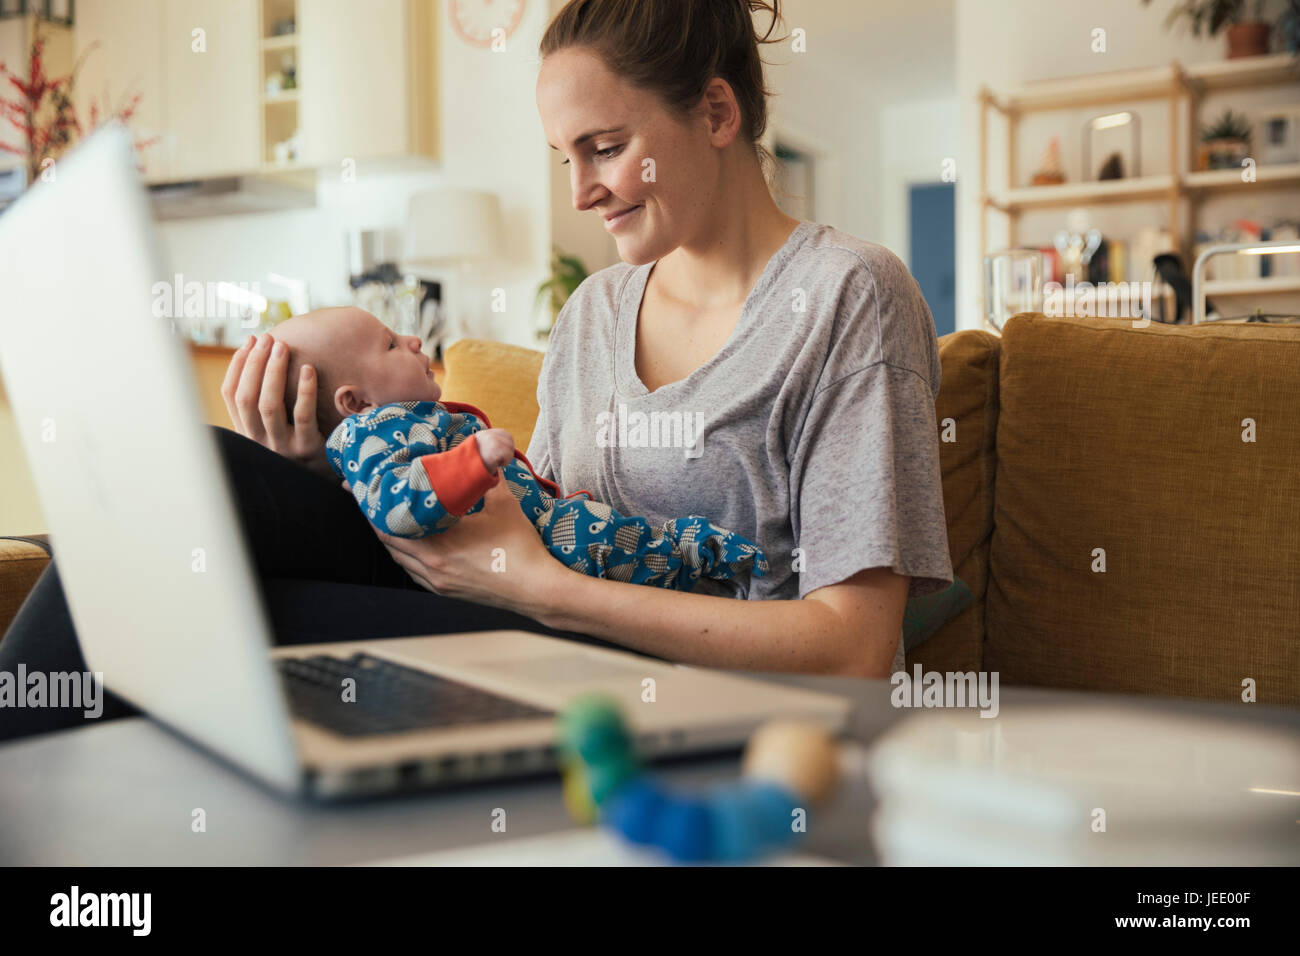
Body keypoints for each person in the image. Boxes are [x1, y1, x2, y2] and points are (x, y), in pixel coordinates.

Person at [0, 0, 952, 742]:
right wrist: (324, 465)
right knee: (200, 488)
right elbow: (516, 517)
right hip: (552, 643)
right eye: (564, 155)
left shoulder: (845, 296)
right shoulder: (593, 316)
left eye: (606, 148)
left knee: (225, 611)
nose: (580, 191)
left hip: (728, 708)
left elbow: (857, 652)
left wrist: (545, 591)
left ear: (714, 111)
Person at [276, 306, 769, 591]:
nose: (410, 339)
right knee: (616, 547)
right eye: (388, 345)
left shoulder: (405, 422)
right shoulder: (377, 430)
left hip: (540, 532)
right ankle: (689, 557)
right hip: (536, 545)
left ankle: (688, 553)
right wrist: (473, 460)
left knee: (616, 538)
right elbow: (399, 505)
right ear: (356, 401)